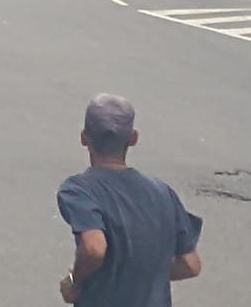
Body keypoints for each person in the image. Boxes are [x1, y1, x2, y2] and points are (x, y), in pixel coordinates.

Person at [56, 94, 202, 306]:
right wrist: (143, 274)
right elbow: (190, 264)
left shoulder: (79, 190)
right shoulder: (162, 192)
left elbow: (94, 248)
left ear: (83, 138)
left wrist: (74, 282)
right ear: (133, 138)